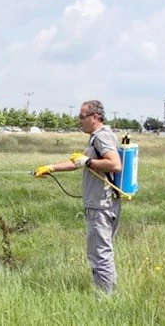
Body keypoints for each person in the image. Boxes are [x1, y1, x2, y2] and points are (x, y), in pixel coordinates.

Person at [34, 100, 122, 294]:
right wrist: (51, 168)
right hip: (102, 204)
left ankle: (104, 299)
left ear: (95, 117)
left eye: (82, 117)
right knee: (102, 253)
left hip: (101, 205)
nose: (79, 121)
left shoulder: (102, 136)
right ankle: (108, 294)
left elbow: (115, 165)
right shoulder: (95, 137)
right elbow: (79, 163)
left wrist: (88, 161)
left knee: (100, 255)